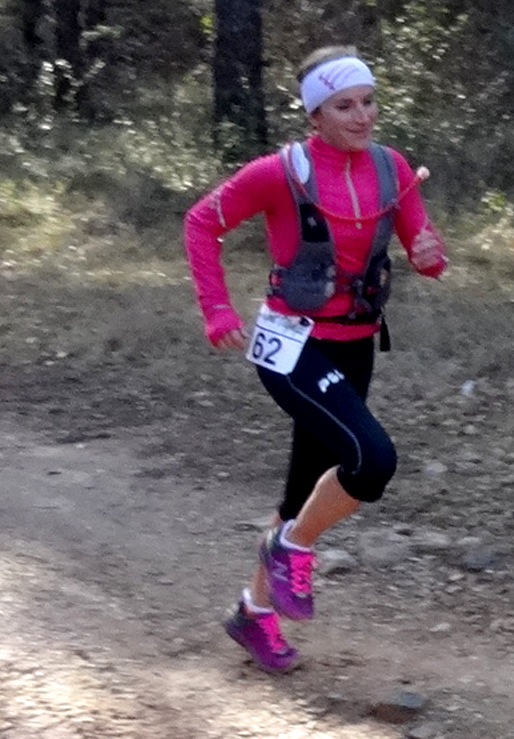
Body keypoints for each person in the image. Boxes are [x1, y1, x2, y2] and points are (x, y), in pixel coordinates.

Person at [183, 46, 448, 673]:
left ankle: (254, 613)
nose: (362, 116)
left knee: (305, 488)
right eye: (344, 105)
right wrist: (218, 311)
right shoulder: (279, 172)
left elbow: (424, 253)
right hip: (292, 344)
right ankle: (293, 548)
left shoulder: (393, 169)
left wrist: (430, 255)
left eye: (368, 101)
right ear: (316, 115)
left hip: (356, 344)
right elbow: (200, 223)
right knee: (372, 459)